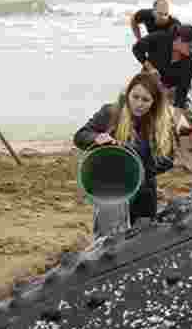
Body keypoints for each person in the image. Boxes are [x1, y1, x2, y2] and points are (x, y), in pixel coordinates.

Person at [73, 72, 175, 236]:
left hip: (143, 189)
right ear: (128, 94)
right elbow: (80, 136)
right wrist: (96, 138)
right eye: (135, 97)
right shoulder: (110, 113)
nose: (139, 104)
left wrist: (139, 171)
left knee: (142, 238)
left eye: (145, 100)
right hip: (109, 185)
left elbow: (168, 159)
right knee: (107, 240)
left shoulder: (161, 122)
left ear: (154, 103)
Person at [132, 24, 192, 171]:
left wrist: (178, 114)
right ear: (179, 40)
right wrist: (150, 67)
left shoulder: (190, 61)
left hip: (174, 91)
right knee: (141, 116)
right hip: (150, 85)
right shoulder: (160, 38)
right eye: (190, 46)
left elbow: (183, 89)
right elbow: (137, 49)